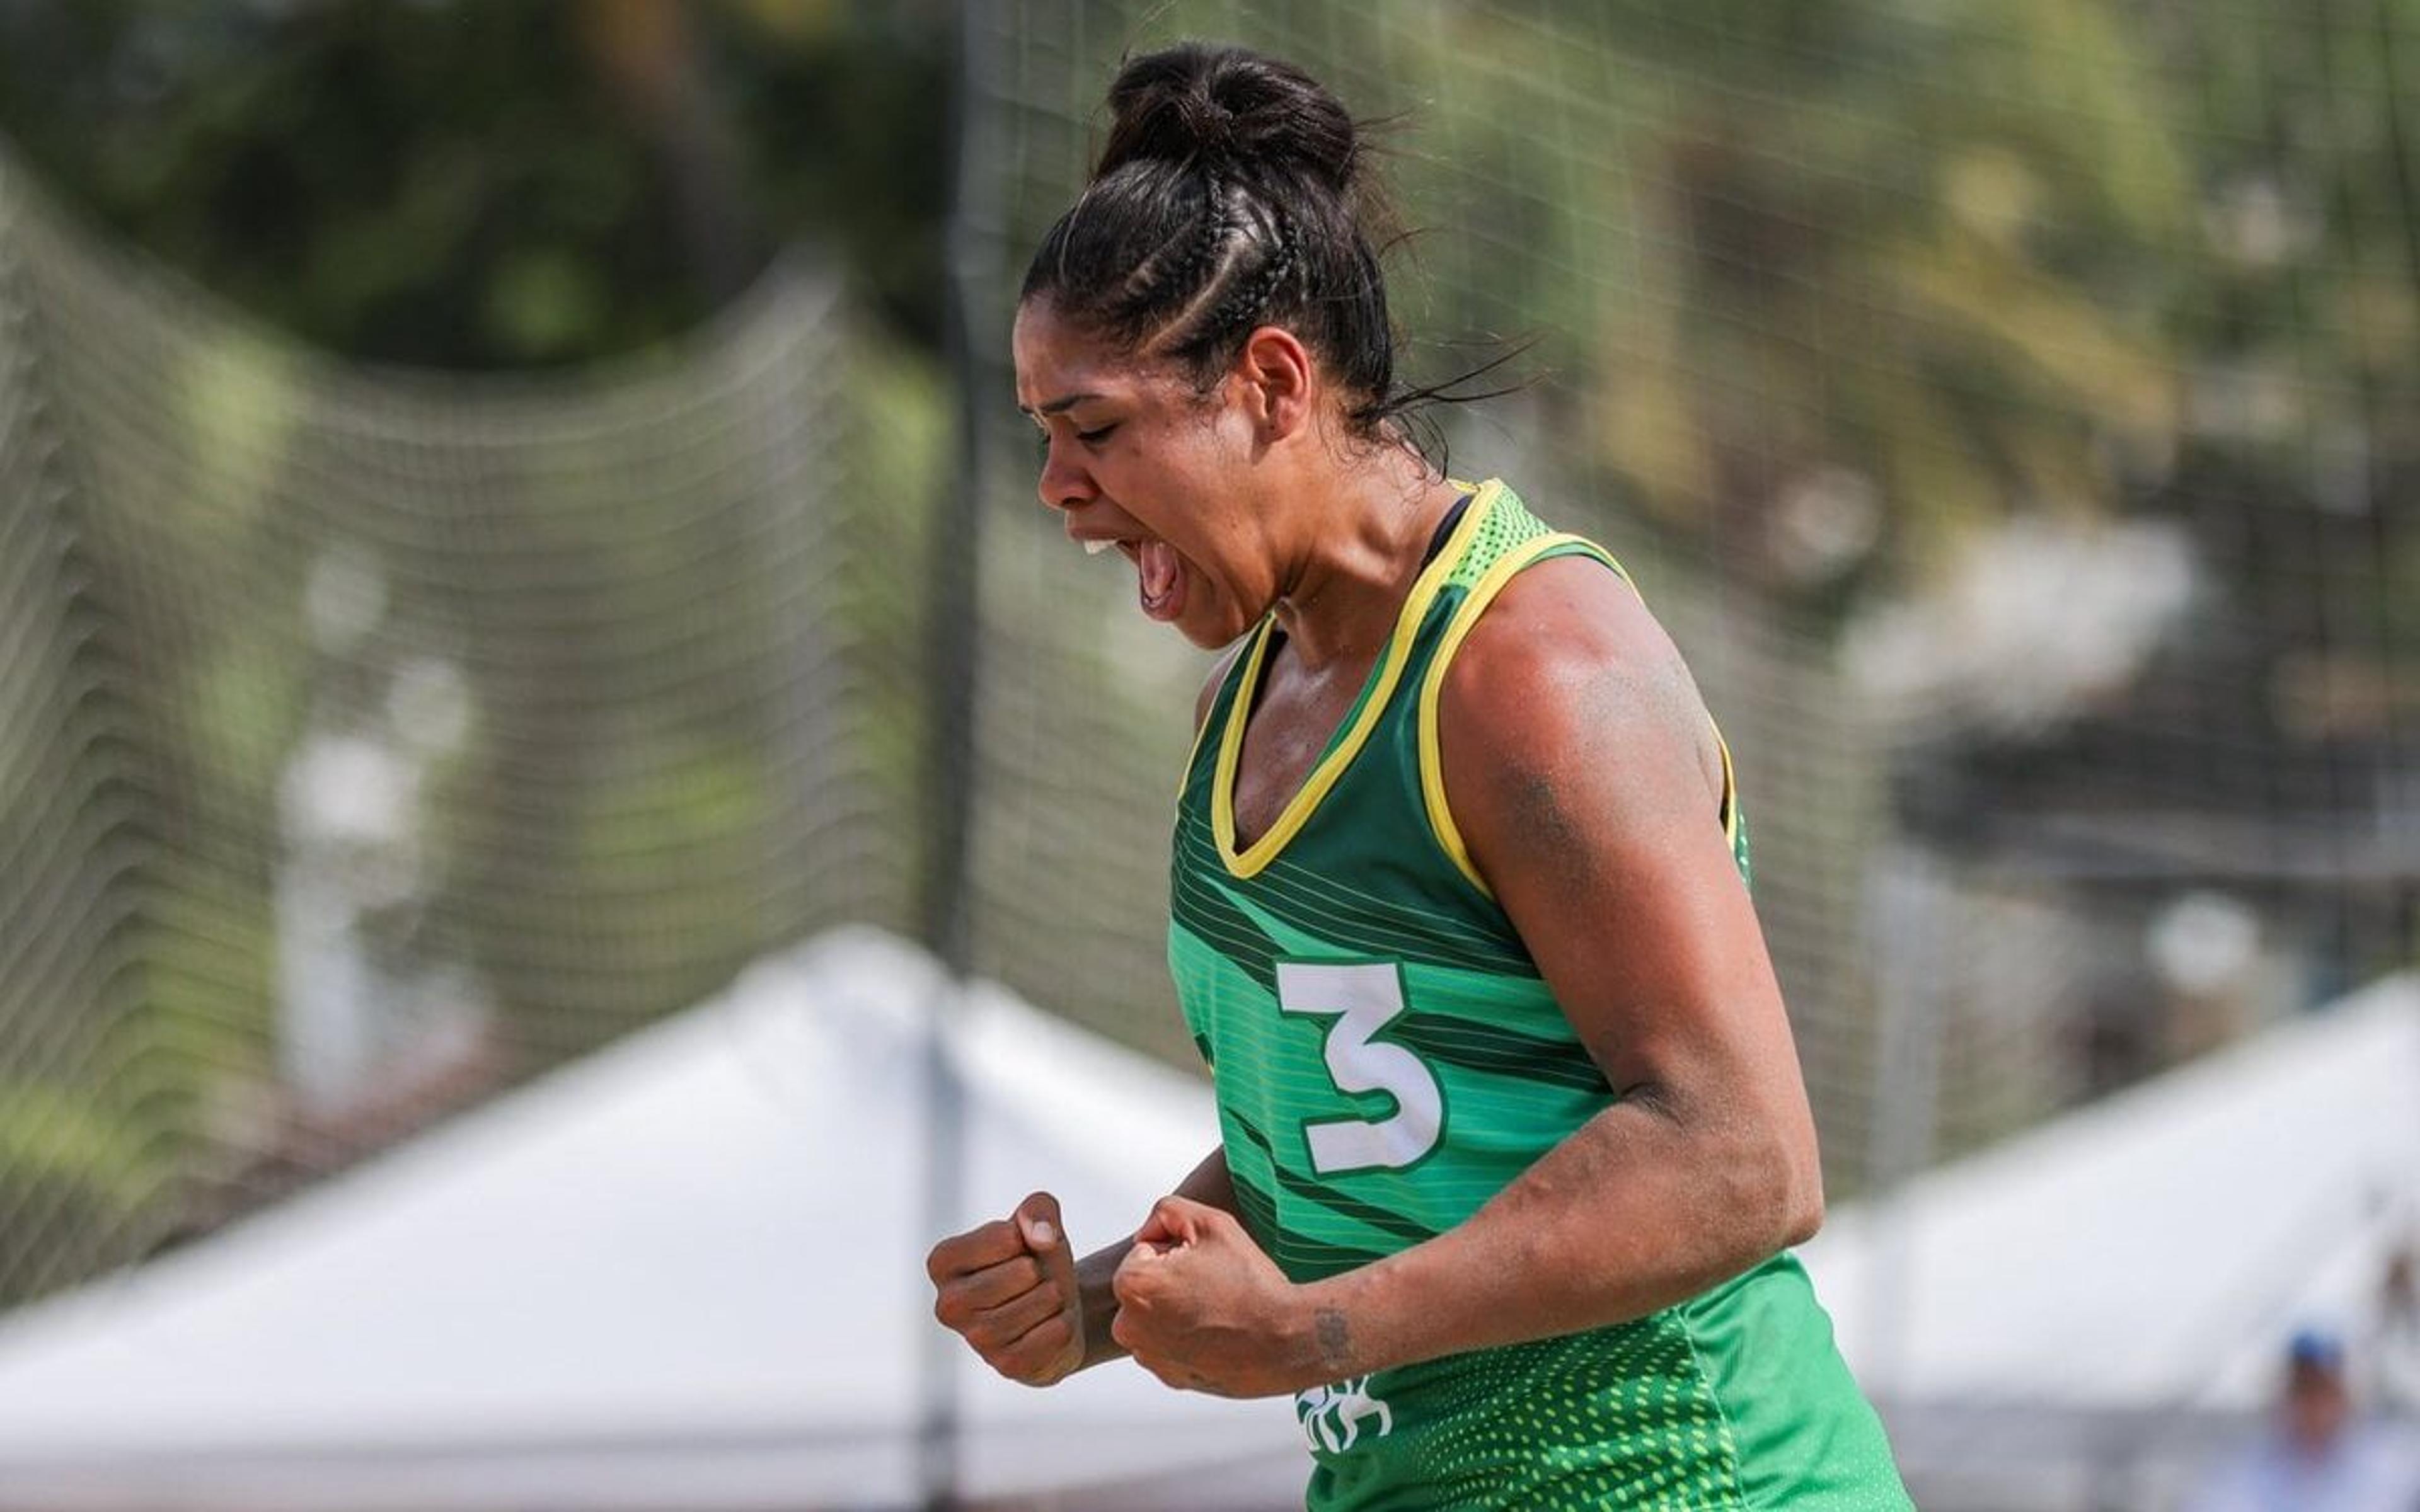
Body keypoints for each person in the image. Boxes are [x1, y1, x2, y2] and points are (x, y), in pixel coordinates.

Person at [926, 41, 1910, 1509]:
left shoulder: (1531, 674)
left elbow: (1743, 1156)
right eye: (1043, 438)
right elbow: (1361, 1131)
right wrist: (1091, 1303)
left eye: (1096, 429)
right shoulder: (1243, 702)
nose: (1061, 489)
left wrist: (1303, 1332)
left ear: (1268, 382)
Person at [2185, 1329, 2420, 1512]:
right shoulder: (2239, 1476)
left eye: (2324, 1389)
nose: (2315, 1404)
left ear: (2347, 1393)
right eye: (2304, 1390)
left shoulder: (2399, 1466)